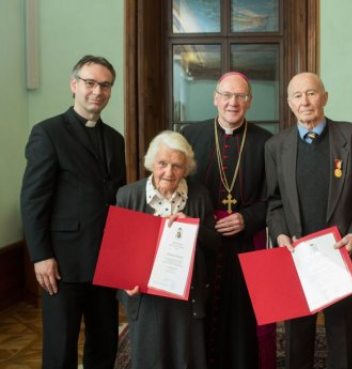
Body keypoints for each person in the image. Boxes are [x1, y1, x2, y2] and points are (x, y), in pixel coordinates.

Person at [265, 72, 352, 369]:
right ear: (289, 103)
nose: (305, 101)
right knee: (296, 339)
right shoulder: (276, 147)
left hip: (342, 255)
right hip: (297, 257)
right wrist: (280, 236)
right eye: (298, 96)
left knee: (342, 339)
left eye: (312, 93)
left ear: (325, 97)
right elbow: (274, 202)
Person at [20, 55, 126, 368]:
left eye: (105, 85)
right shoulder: (48, 133)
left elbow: (118, 200)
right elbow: (33, 199)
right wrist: (41, 256)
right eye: (90, 83)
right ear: (74, 85)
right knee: (60, 347)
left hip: (106, 262)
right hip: (63, 264)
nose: (97, 91)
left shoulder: (115, 139)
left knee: (104, 343)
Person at [182, 71, 273, 369]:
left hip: (246, 242)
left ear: (249, 101)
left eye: (240, 96)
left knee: (242, 316)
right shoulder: (190, 135)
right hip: (202, 241)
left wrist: (247, 218)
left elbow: (276, 197)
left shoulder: (266, 142)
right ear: (215, 99)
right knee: (201, 311)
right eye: (227, 95)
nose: (233, 102)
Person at [116, 130, 220, 369]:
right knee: (150, 359)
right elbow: (119, 252)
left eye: (177, 166)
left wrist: (192, 228)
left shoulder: (199, 196)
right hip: (145, 297)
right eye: (162, 163)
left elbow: (214, 244)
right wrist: (124, 283)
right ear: (152, 162)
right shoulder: (128, 196)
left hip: (186, 296)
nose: (169, 172)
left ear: (186, 168)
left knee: (186, 358)